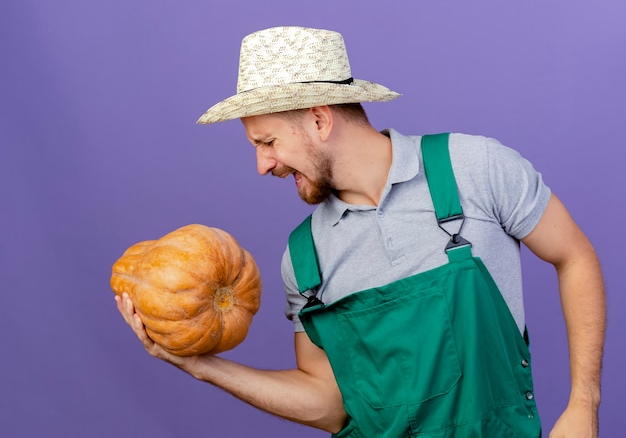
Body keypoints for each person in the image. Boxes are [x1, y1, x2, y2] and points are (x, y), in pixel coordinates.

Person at [115, 26, 605, 437]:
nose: (263, 165)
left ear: (319, 119)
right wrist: (201, 366)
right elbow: (330, 404)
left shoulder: (472, 168)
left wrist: (582, 404)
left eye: (267, 142)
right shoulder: (304, 258)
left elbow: (575, 257)